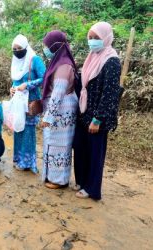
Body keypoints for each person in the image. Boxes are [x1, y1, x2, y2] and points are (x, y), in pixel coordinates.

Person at [73, 22, 122, 200]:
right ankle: (82, 181)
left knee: (94, 153)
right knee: (80, 147)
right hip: (84, 112)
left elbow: (109, 94)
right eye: (90, 38)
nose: (92, 41)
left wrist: (98, 119)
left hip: (96, 117)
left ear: (106, 38)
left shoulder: (111, 61)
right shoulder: (91, 57)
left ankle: (92, 188)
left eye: (96, 38)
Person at [40, 30, 79, 189]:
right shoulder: (58, 62)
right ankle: (51, 176)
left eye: (47, 46)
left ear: (55, 46)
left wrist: (48, 117)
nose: (45, 49)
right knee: (52, 143)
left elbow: (58, 92)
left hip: (61, 110)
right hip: (57, 110)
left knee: (60, 145)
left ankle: (59, 180)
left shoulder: (63, 65)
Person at [10, 34, 46, 174]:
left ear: (25, 47)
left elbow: (45, 78)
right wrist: (12, 88)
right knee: (18, 129)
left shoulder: (34, 60)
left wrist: (28, 85)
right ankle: (19, 158)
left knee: (28, 132)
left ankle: (28, 162)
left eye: (19, 48)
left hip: (30, 102)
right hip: (18, 102)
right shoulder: (15, 61)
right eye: (14, 48)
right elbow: (16, 80)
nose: (17, 51)